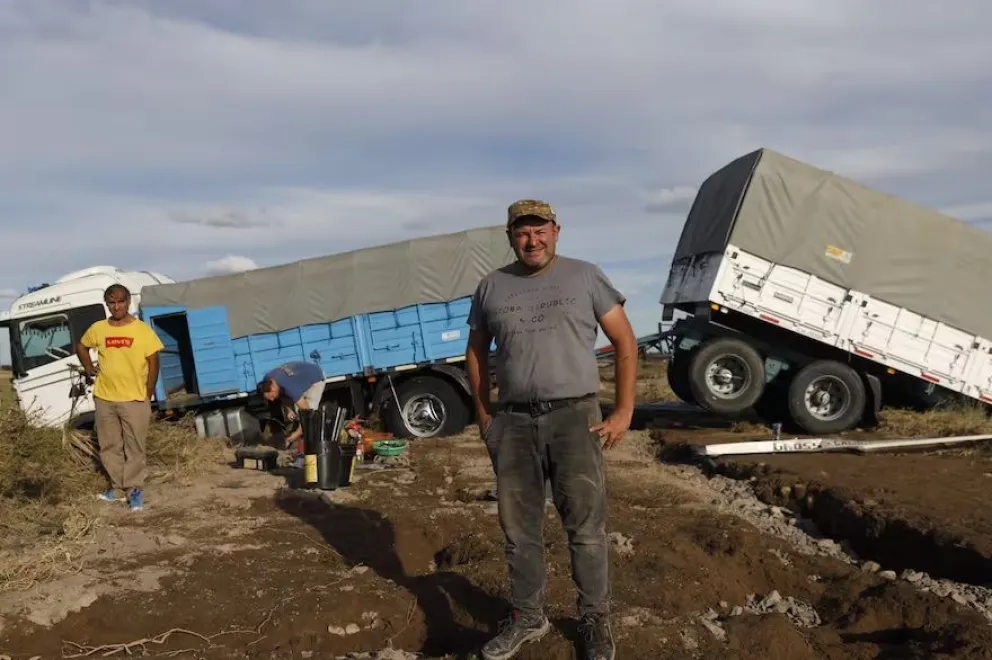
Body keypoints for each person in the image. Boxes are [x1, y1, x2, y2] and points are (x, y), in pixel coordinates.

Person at [465, 199, 638, 660]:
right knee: (519, 531)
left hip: (574, 419)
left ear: (557, 231)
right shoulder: (491, 287)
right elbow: (477, 353)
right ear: (509, 237)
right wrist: (485, 418)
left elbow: (624, 340)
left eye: (540, 229)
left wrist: (623, 410)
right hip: (515, 422)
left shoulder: (585, 276)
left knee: (585, 527)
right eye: (522, 231)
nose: (531, 239)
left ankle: (594, 619)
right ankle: (527, 617)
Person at [76, 284, 165, 512]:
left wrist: (148, 392)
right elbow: (82, 346)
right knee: (109, 446)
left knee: (134, 446)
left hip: (134, 398)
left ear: (128, 302)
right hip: (105, 397)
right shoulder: (99, 328)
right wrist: (87, 367)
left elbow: (153, 363)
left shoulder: (142, 330)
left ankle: (134, 489)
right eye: (111, 303)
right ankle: (117, 488)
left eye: (120, 301)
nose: (116, 307)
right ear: (107, 305)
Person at [257, 361, 326, 455]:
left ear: (273, 387)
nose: (272, 400)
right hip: (297, 381)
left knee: (309, 417)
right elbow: (282, 395)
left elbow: (307, 413)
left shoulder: (289, 386)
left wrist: (295, 435)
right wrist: (289, 410)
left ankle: (309, 446)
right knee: (296, 413)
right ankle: (297, 438)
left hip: (315, 379)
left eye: (272, 396)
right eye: (269, 398)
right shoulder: (267, 380)